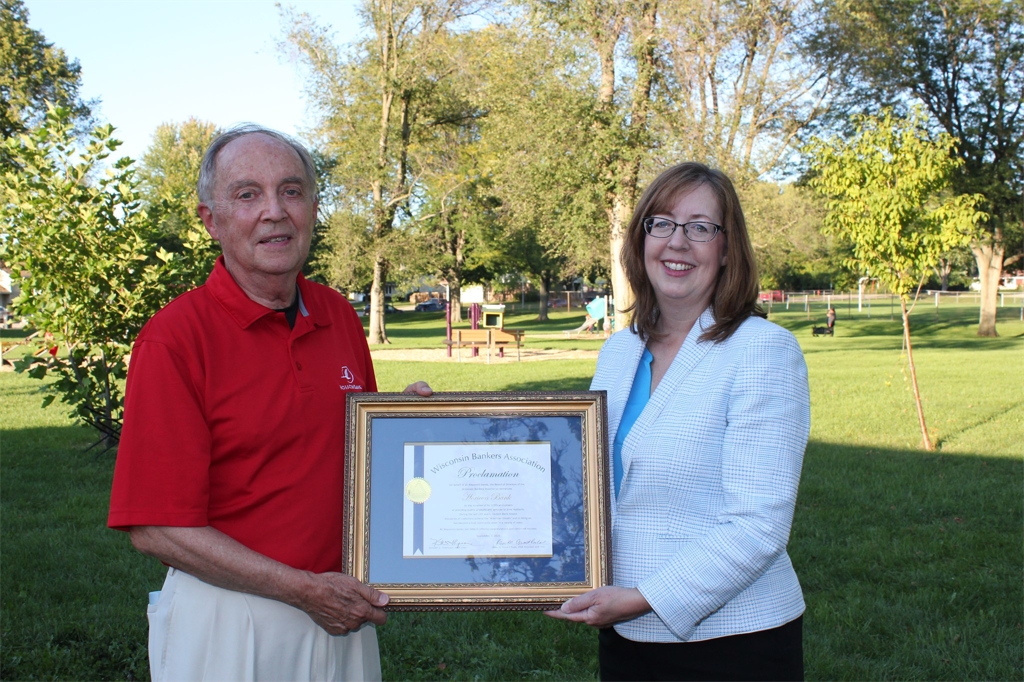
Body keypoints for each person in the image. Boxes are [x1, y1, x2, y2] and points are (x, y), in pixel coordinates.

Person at [108, 125, 431, 681]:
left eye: (291, 190)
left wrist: (404, 425)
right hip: (232, 620)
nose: (274, 212)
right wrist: (303, 590)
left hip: (340, 608)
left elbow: (343, 454)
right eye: (247, 194)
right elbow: (156, 527)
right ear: (212, 220)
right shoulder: (176, 339)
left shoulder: (335, 314)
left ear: (311, 208)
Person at [547, 162, 810, 681]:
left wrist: (643, 598)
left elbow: (759, 526)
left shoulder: (763, 351)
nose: (677, 241)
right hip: (623, 632)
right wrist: (441, 421)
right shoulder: (620, 351)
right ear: (641, 238)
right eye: (661, 223)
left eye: (700, 227)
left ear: (727, 248)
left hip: (733, 643)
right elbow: (587, 480)